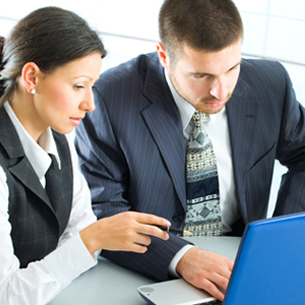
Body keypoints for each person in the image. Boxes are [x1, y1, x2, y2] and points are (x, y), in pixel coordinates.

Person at [75, 0, 305, 301]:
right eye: (201, 75)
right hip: (150, 268)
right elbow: (104, 210)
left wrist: (277, 245)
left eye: (232, 68)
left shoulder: (270, 82)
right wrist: (182, 257)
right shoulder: (108, 98)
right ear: (163, 56)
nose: (220, 91)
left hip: (242, 264)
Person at [0, 7, 172, 305]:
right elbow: (6, 294)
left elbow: (79, 225)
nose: (90, 104)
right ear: (31, 78)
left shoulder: (59, 137)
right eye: (79, 85)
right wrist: (91, 239)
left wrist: (83, 241)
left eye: (92, 86)